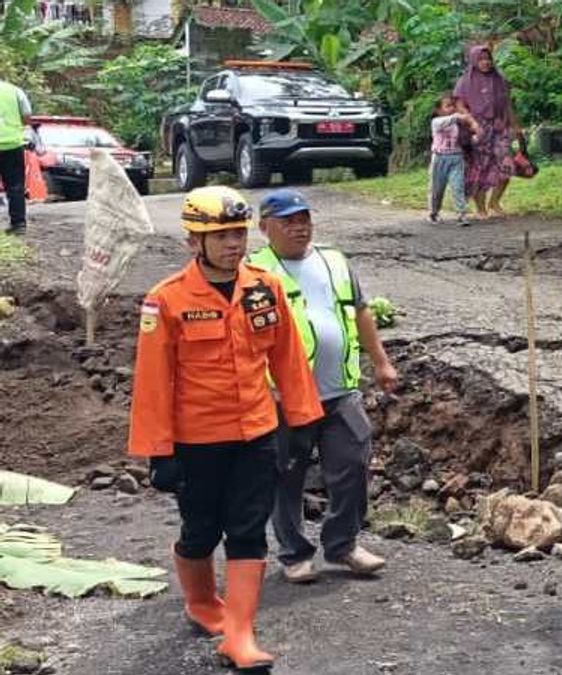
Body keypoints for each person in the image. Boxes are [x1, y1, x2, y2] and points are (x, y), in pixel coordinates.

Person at [128, 186, 324, 670]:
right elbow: (153, 381)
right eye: (221, 236)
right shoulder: (167, 300)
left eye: (238, 233)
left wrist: (301, 421)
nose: (234, 244)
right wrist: (160, 451)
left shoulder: (265, 287)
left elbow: (289, 358)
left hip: (256, 434)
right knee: (200, 531)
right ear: (194, 241)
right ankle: (200, 603)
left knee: (247, 530)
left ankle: (239, 634)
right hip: (196, 441)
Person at [248, 188, 399, 583]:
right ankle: (294, 553)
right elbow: (243, 336)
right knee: (286, 475)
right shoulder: (254, 272)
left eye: (304, 220)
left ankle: (343, 544)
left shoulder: (333, 260)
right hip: (285, 396)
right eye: (288, 222)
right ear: (265, 228)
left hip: (339, 388)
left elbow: (360, 311)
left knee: (352, 461)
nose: (300, 228)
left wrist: (381, 361)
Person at [454, 45, 521, 219]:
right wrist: (471, 121)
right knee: (479, 168)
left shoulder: (500, 80)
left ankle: (495, 202)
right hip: (477, 128)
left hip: (499, 126)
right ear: (474, 61)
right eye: (481, 59)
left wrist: (515, 126)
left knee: (507, 164)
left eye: (488, 59)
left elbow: (507, 104)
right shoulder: (465, 81)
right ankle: (481, 208)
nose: (485, 62)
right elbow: (459, 105)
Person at [428, 93, 480, 226]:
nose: (451, 108)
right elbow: (450, 119)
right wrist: (460, 116)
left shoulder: (458, 124)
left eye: (452, 106)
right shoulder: (436, 122)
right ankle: (434, 212)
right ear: (439, 110)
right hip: (439, 158)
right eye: (447, 106)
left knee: (458, 187)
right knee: (437, 189)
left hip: (456, 158)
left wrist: (474, 136)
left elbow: (467, 138)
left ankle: (461, 214)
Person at [0, 78, 32, 235]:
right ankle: (18, 224)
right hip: (12, 145)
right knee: (15, 186)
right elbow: (27, 116)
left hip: (11, 144)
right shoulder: (14, 91)